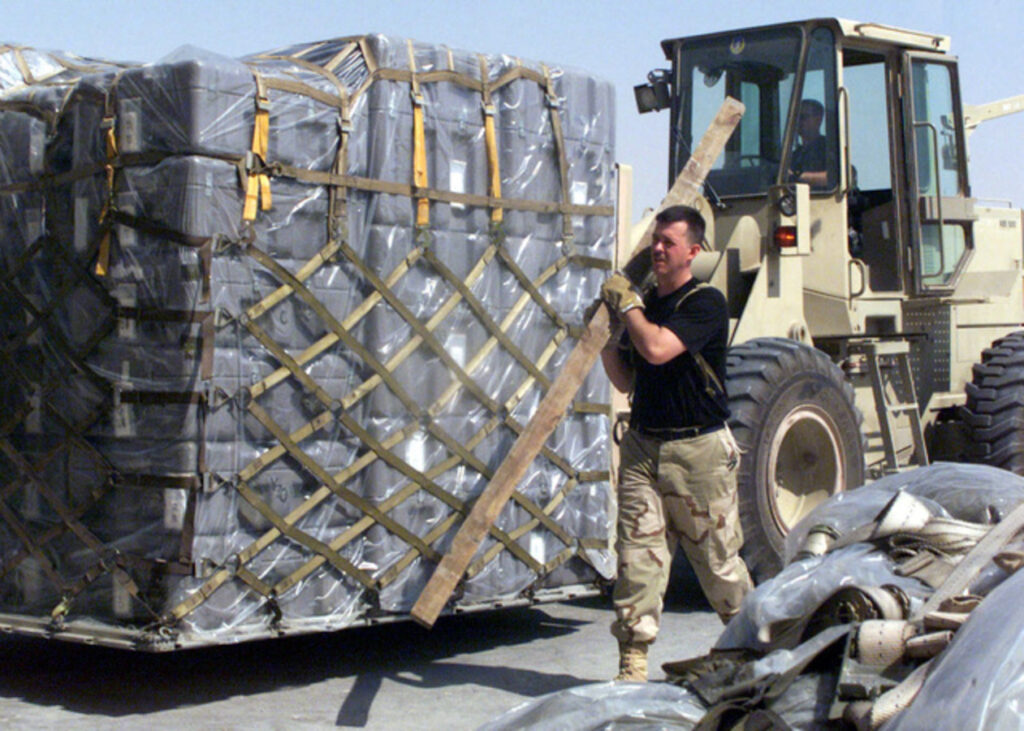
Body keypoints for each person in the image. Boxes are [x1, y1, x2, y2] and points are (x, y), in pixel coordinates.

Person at [598, 205, 753, 682]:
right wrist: (605, 338)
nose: (659, 249)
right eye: (656, 241)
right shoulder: (646, 305)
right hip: (645, 447)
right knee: (637, 562)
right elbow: (627, 378)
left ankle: (752, 646)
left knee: (719, 565)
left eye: (669, 242)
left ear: (694, 251)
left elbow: (658, 349)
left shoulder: (704, 303)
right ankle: (633, 660)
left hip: (698, 453)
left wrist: (628, 309)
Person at [788, 99, 830, 189]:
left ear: (818, 120)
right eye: (796, 117)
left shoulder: (829, 148)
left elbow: (843, 176)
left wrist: (800, 177)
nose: (798, 122)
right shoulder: (795, 155)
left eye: (803, 117)